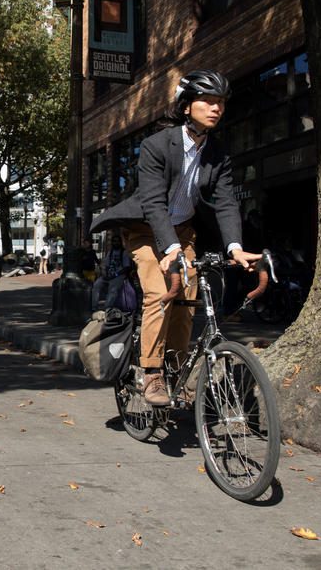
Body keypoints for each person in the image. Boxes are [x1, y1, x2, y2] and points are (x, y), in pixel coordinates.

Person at [91, 70, 259, 406]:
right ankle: (152, 373)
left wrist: (235, 248)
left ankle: (176, 368)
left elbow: (226, 201)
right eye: (208, 101)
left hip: (184, 230)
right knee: (160, 291)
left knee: (187, 299)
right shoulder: (156, 146)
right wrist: (168, 250)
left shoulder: (218, 152)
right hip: (145, 229)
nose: (216, 108)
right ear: (186, 106)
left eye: (221, 103)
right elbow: (153, 203)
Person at [91, 234, 132, 312]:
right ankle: (94, 308)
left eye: (117, 241)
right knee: (96, 285)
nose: (116, 243)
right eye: (114, 241)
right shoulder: (110, 252)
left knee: (112, 289)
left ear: (120, 242)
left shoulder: (124, 252)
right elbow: (106, 265)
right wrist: (105, 274)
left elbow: (126, 267)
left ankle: (106, 310)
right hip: (109, 275)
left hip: (118, 276)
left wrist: (115, 275)